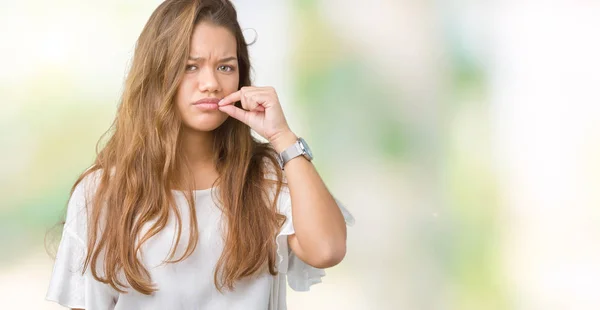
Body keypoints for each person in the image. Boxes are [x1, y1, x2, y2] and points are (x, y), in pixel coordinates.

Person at [45, 0, 354, 309]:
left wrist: (283, 137)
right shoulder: (102, 192)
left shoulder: (265, 177)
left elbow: (326, 249)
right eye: (190, 66)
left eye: (225, 67)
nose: (211, 84)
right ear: (157, 72)